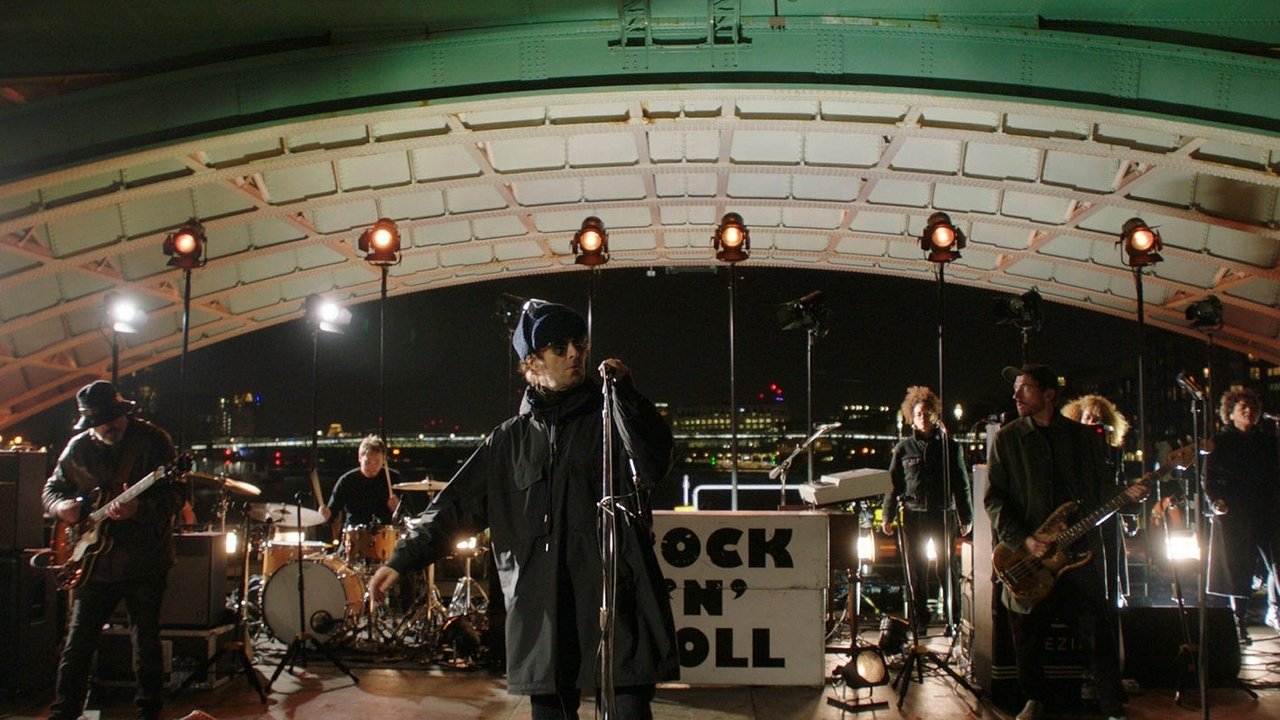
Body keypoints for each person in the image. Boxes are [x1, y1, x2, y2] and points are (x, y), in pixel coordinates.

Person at [369, 299, 679, 720]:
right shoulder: (507, 442)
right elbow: (454, 506)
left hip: (615, 596)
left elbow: (654, 461)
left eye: (579, 343)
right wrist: (401, 560)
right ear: (532, 362)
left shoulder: (612, 416)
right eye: (559, 346)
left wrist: (625, 395)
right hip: (543, 607)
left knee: (627, 707)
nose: (574, 353)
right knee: (550, 710)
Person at [984, 365, 1147, 720]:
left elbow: (1102, 491)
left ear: (1049, 394)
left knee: (1097, 631)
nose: (1016, 395)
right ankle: (1034, 699)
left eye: (1025, 388)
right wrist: (1024, 540)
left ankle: (1111, 704)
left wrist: (1128, 497)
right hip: (1029, 557)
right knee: (1026, 633)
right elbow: (994, 499)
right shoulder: (1008, 439)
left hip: (1079, 555)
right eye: (1016, 388)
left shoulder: (1084, 438)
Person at [42, 380, 183, 720]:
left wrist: (139, 510)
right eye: (96, 422)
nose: (104, 428)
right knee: (77, 644)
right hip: (94, 564)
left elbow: (177, 497)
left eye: (108, 420)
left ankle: (149, 712)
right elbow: (51, 491)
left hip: (144, 560)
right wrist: (63, 508)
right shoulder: (78, 448)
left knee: (146, 642)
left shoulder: (153, 442)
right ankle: (65, 712)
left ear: (123, 414)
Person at [880, 386, 972, 634]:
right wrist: (887, 515)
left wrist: (967, 516)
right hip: (913, 515)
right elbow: (893, 483)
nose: (922, 416)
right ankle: (920, 620)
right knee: (916, 570)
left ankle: (953, 620)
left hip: (943, 514)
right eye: (918, 413)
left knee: (946, 567)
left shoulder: (951, 447)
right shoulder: (903, 449)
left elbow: (961, 483)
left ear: (935, 414)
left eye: (926, 412)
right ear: (912, 415)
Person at [1205, 385, 1280, 643]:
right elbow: (1209, 478)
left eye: (1252, 408)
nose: (1249, 412)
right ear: (1231, 412)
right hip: (1236, 512)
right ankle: (1238, 622)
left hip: (1267, 510)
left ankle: (1276, 610)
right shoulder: (1220, 442)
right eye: (1242, 408)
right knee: (1237, 569)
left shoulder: (1268, 441)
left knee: (1277, 563)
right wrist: (1215, 501)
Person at [1061, 394, 1133, 605]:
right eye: (1089, 418)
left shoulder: (1114, 451)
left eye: (1098, 420)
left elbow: (1119, 481)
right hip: (1081, 521)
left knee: (1110, 571)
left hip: (1109, 519)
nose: (1093, 424)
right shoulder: (1070, 450)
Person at [322, 434, 402, 531]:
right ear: (360, 458)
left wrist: (398, 508)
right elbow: (332, 513)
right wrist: (325, 515)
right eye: (368, 462)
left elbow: (409, 515)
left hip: (387, 535)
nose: (372, 467)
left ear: (384, 459)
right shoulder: (347, 480)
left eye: (377, 462)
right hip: (355, 535)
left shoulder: (394, 479)